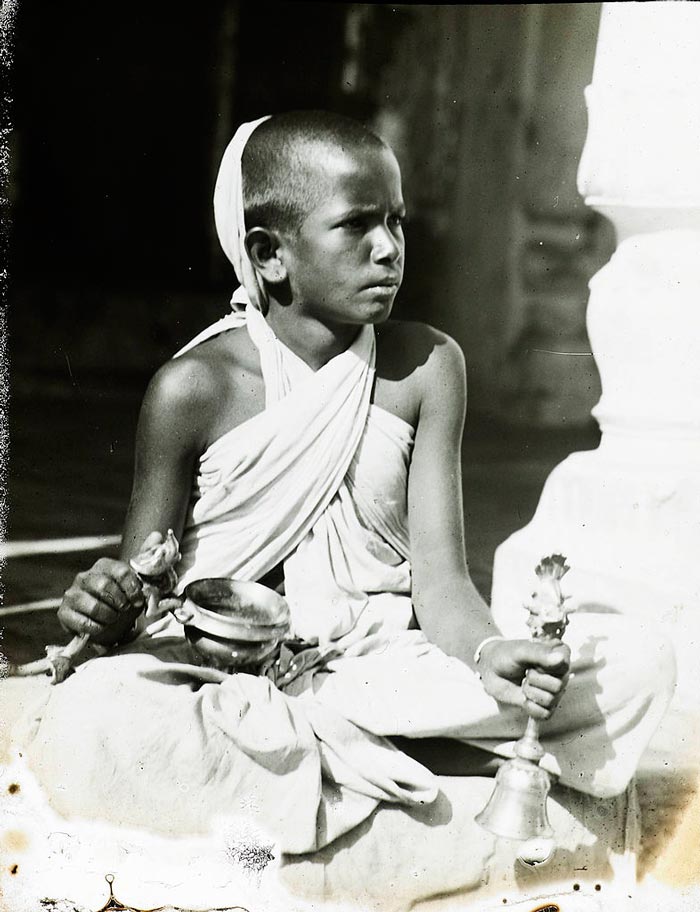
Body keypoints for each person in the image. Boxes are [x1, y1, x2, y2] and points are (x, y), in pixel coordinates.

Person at [38, 110, 673, 852]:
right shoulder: (195, 388)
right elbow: (142, 587)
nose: (389, 250)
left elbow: (440, 584)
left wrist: (489, 653)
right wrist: (104, 605)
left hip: (377, 673)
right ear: (269, 254)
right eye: (356, 226)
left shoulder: (428, 367)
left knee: (636, 664)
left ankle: (330, 769)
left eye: (397, 223)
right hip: (227, 677)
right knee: (95, 718)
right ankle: (405, 768)